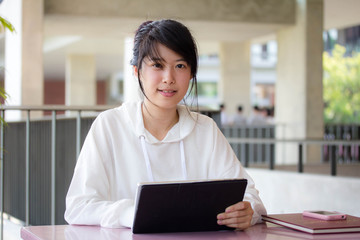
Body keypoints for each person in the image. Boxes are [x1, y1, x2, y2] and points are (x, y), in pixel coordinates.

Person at [64, 19, 266, 230]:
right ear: (137, 71)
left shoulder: (205, 129)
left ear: (191, 73)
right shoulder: (110, 126)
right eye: (157, 65)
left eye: (180, 66)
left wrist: (246, 212)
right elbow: (78, 206)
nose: (169, 78)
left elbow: (250, 196)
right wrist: (131, 213)